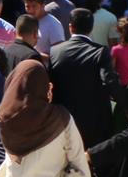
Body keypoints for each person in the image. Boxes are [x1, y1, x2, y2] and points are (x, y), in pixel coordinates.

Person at [45, 9, 121, 148]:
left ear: (70, 27)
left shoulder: (55, 51)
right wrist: (124, 105)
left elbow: (50, 84)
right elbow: (110, 81)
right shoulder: (100, 51)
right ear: (91, 28)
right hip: (94, 121)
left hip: (64, 120)